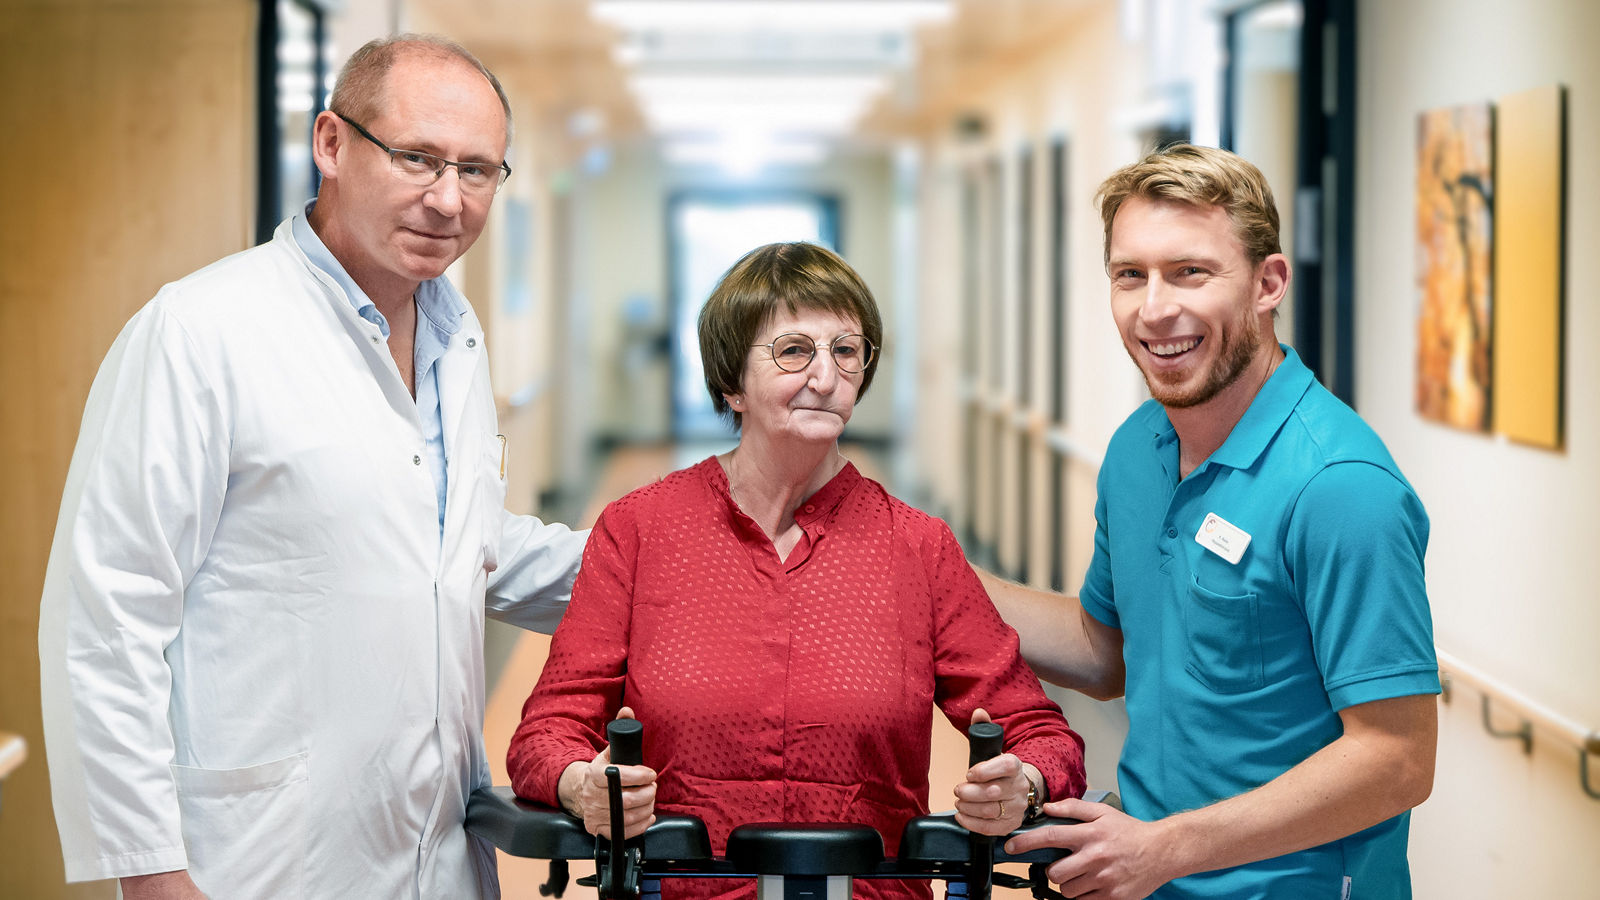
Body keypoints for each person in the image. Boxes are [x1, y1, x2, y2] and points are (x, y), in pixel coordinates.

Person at [37, 35, 586, 900]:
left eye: (478, 171)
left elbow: (461, 547)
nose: (448, 200)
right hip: (261, 862)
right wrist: (148, 872)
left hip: (438, 849)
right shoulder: (203, 331)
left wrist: (682, 561)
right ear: (331, 143)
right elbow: (109, 620)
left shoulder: (456, 338)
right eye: (418, 159)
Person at [506, 242, 1087, 900]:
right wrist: (581, 786)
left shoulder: (918, 547)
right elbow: (546, 732)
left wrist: (1023, 783)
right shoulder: (641, 529)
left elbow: (1044, 735)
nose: (826, 375)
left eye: (846, 350)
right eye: (793, 351)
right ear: (732, 382)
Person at [992, 144, 1439, 899]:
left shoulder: (1338, 487)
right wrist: (925, 564)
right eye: (1130, 275)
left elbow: (1396, 759)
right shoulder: (1141, 446)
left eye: (1190, 272)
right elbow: (1108, 654)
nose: (1155, 307)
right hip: (1150, 878)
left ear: (1269, 284)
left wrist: (1167, 848)